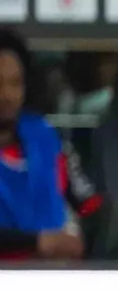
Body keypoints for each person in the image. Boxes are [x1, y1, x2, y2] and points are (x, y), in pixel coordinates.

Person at [0, 29, 94, 262]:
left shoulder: (46, 137)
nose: (7, 94)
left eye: (15, 83)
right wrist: (38, 242)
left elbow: (88, 204)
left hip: (53, 278)